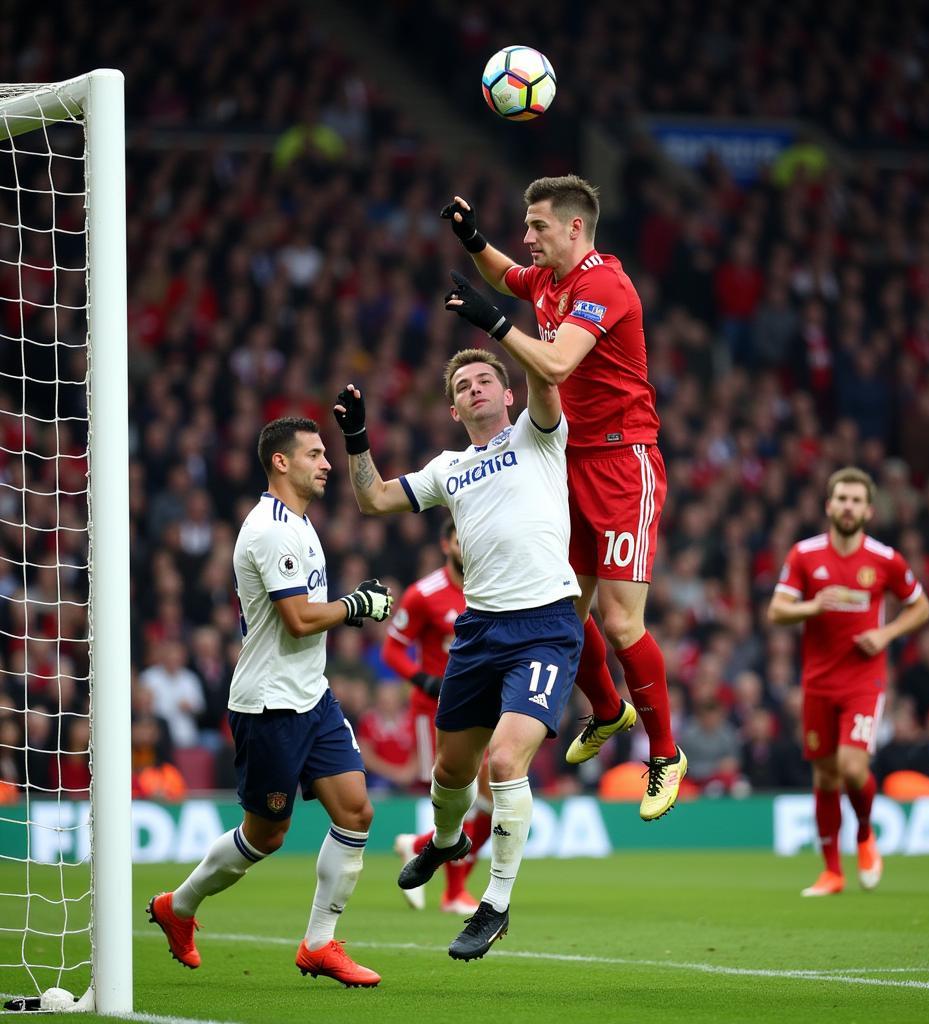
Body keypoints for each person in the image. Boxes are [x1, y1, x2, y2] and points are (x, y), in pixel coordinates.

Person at [439, 175, 685, 821]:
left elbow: (553, 365)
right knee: (560, 612)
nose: (527, 237)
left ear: (575, 227)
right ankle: (608, 711)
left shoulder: (604, 284)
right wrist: (472, 239)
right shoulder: (547, 278)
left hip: (623, 461)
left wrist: (492, 326)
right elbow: (504, 275)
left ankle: (665, 753)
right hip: (569, 463)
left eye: (537, 226)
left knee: (622, 620)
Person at [334, 346, 583, 960]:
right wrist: (357, 437)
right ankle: (446, 840)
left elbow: (549, 374)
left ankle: (494, 904)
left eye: (485, 381)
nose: (474, 388)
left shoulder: (539, 435)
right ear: (452, 407)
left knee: (504, 762)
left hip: (545, 625)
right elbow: (373, 499)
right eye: (463, 384)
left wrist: (501, 319)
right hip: (478, 632)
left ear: (508, 395)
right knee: (451, 773)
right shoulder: (449, 467)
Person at [148, 416, 393, 987]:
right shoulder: (269, 529)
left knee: (356, 811)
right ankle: (177, 907)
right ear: (281, 462)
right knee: (267, 835)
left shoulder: (302, 524)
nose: (326, 463)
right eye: (314, 454)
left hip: (312, 696)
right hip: (268, 707)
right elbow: (300, 619)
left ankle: (319, 944)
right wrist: (358, 605)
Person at [767, 466, 929, 897]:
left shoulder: (885, 559)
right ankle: (832, 873)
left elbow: (921, 607)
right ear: (828, 504)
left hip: (863, 680)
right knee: (824, 777)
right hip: (818, 682)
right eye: (841, 498)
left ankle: (863, 834)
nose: (848, 507)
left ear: (869, 510)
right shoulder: (805, 554)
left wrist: (886, 633)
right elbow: (776, 611)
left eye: (856, 500)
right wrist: (813, 607)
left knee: (852, 768)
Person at [381, 519, 494, 916]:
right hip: (436, 713)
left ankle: (418, 849)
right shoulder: (423, 594)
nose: (467, 547)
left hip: (484, 710)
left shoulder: (491, 588)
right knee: (460, 802)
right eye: (460, 540)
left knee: (488, 804)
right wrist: (423, 680)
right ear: (447, 544)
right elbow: (392, 650)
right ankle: (452, 891)